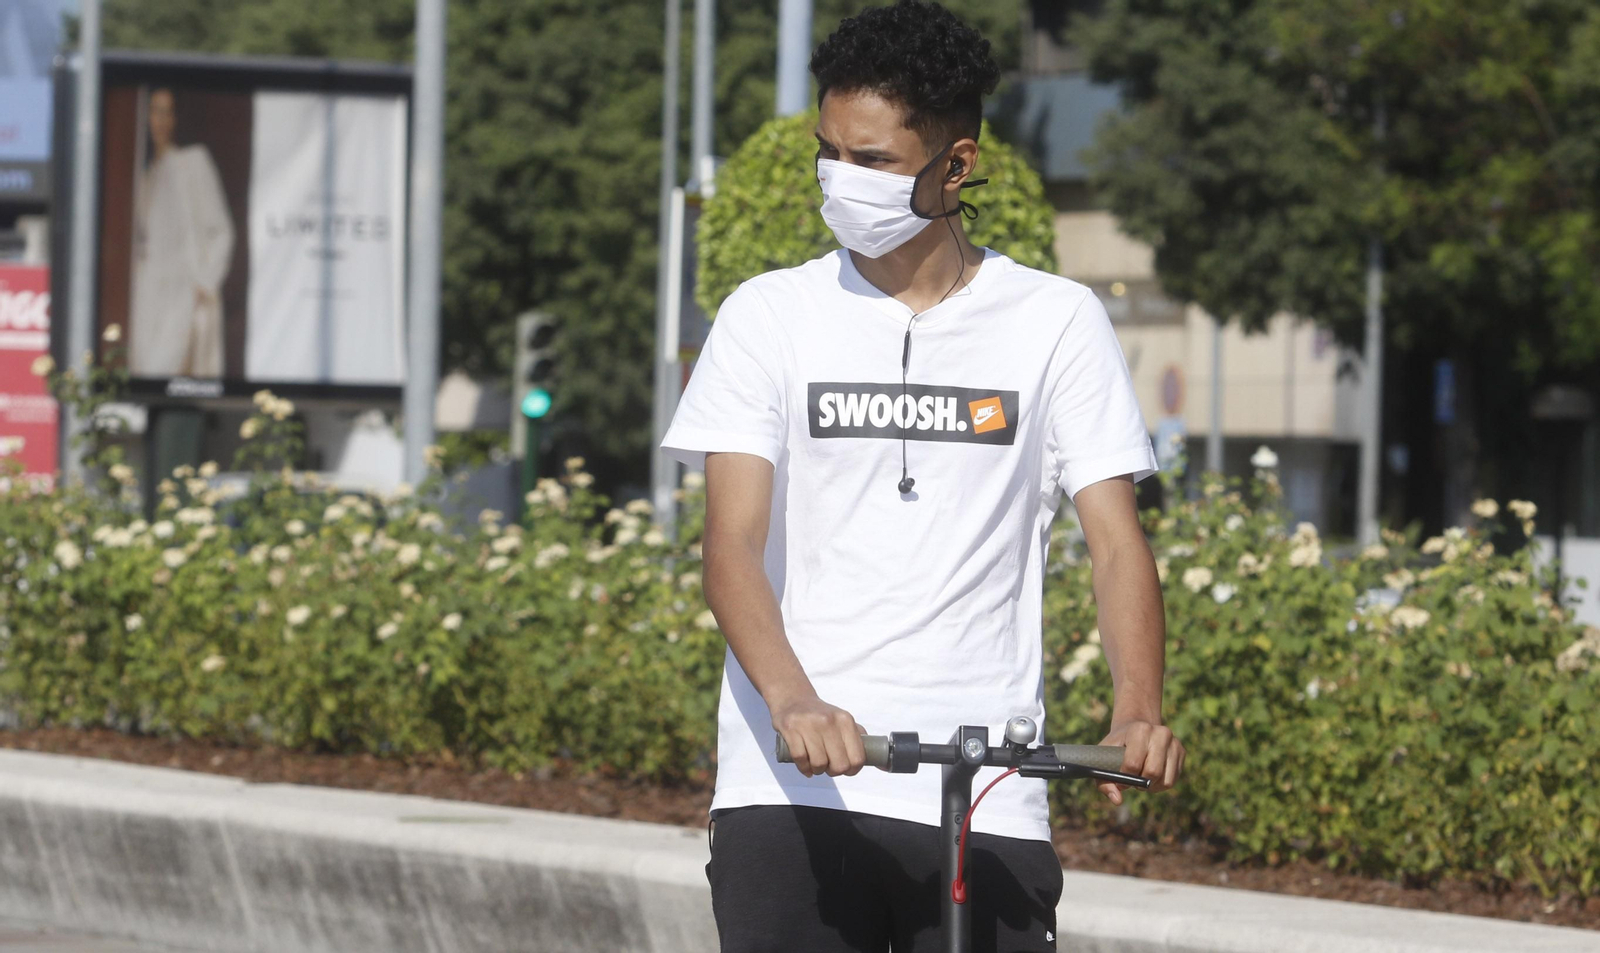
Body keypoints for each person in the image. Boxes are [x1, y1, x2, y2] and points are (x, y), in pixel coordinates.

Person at [660, 2, 1186, 950]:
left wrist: (1135, 709)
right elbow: (730, 543)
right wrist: (794, 700)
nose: (839, 182)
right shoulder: (769, 315)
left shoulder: (1055, 322)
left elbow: (1115, 541)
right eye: (829, 153)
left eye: (873, 162)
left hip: (985, 787)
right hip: (792, 781)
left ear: (956, 165)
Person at [128, 87, 234, 379]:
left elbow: (221, 229)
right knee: (146, 375)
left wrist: (205, 282)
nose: (160, 121)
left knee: (178, 374)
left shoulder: (193, 162)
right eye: (154, 111)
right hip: (147, 293)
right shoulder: (142, 174)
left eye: (167, 112)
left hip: (183, 290)